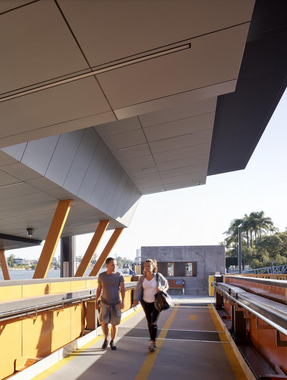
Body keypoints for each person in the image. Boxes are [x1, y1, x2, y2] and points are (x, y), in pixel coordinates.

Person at [133, 259, 169, 352]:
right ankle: (152, 339)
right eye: (145, 266)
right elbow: (138, 289)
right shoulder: (142, 278)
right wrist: (135, 300)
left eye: (149, 265)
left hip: (156, 302)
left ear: (153, 267)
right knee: (149, 321)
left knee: (153, 321)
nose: (147, 267)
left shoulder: (158, 276)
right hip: (145, 302)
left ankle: (152, 342)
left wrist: (162, 289)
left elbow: (166, 285)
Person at [95, 257, 125, 350]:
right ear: (107, 265)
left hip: (116, 303)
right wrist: (96, 301)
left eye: (115, 265)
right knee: (104, 322)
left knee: (114, 324)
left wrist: (123, 301)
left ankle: (112, 341)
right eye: (112, 265)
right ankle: (106, 339)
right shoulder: (101, 276)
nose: (114, 267)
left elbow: (123, 289)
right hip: (104, 302)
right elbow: (99, 289)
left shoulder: (119, 275)